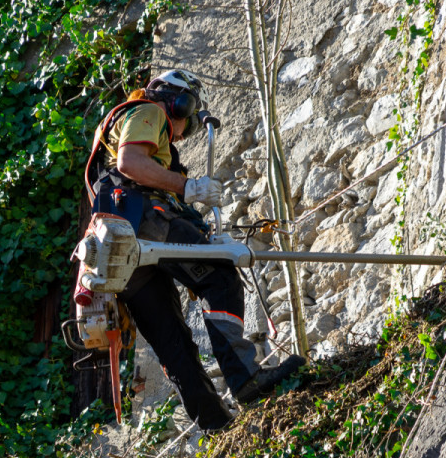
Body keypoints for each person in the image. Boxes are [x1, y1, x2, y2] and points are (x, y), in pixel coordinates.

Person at [84, 68, 304, 432]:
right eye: (188, 113)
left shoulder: (115, 124)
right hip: (146, 219)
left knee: (173, 342)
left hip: (118, 246)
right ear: (178, 102)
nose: (185, 131)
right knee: (219, 276)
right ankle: (246, 378)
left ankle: (217, 425)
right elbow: (131, 164)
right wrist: (189, 188)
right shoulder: (149, 111)